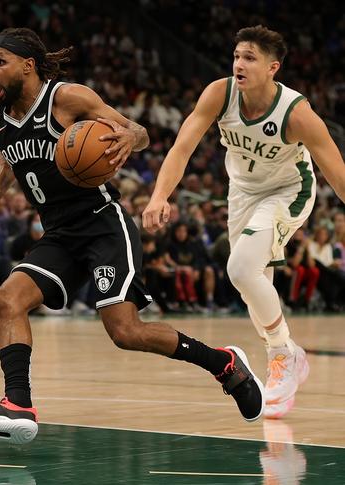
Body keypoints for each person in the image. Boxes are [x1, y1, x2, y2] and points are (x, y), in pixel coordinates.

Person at [0, 27, 265, 445]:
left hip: (102, 224)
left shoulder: (68, 99)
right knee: (6, 299)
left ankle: (224, 363)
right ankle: (18, 405)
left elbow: (137, 132)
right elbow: (10, 157)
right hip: (59, 233)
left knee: (126, 332)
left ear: (27, 66)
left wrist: (130, 137)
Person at [143, 26, 345, 418]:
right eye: (236, 55)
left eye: (249, 58)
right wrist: (158, 194)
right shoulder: (219, 93)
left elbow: (337, 174)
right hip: (242, 192)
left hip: (289, 190)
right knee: (254, 284)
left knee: (240, 268)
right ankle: (285, 357)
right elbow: (182, 146)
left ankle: (283, 353)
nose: (239, 64)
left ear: (273, 68)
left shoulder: (297, 113)